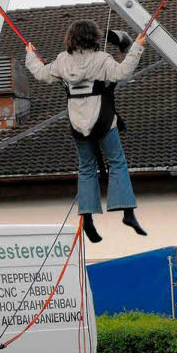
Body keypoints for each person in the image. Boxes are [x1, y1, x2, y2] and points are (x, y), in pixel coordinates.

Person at [26, 20, 148, 243]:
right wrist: (137, 46)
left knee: (86, 168)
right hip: (102, 118)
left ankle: (88, 219)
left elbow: (41, 73)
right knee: (117, 162)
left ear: (71, 39)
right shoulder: (101, 60)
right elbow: (122, 72)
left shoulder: (62, 61)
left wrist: (30, 54)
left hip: (77, 121)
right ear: (94, 38)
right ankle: (127, 212)